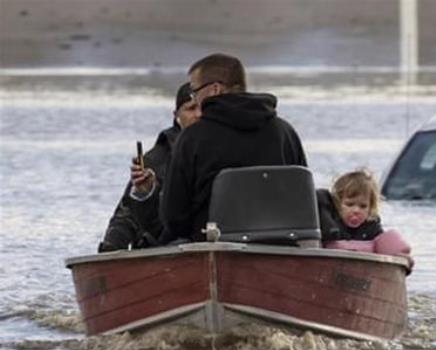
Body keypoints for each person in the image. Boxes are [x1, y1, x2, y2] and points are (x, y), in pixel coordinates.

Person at [160, 53, 308, 242]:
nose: (195, 99)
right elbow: (302, 199)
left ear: (214, 89)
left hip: (213, 248)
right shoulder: (285, 132)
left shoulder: (192, 138)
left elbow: (174, 218)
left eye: (195, 91)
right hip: (279, 248)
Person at [98, 83, 200, 252]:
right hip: (167, 247)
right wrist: (110, 250)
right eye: (191, 108)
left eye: (203, 108)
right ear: (176, 116)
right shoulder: (154, 161)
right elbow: (126, 214)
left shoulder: (226, 149)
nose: (198, 115)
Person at [317, 169, 413, 267]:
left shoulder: (371, 226)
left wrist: (402, 259)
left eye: (363, 206)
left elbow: (386, 251)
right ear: (337, 204)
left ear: (370, 208)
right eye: (349, 204)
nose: (356, 211)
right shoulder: (328, 225)